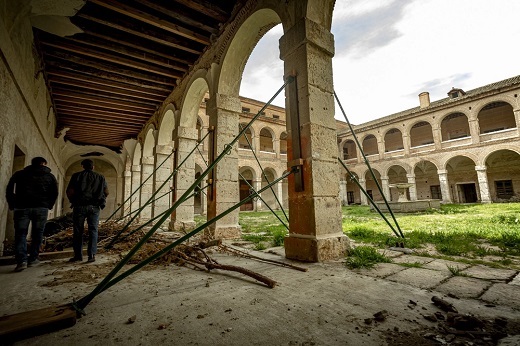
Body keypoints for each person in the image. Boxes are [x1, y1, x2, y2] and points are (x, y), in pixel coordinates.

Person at [6, 156, 58, 272]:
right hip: (41, 208)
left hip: (21, 207)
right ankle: (33, 258)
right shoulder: (49, 176)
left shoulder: (19, 174)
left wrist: (12, 203)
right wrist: (49, 205)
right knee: (37, 233)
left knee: (20, 234)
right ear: (44, 163)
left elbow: (9, 189)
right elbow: (54, 192)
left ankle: (22, 261)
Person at [66, 159, 109, 263]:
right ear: (93, 167)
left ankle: (78, 256)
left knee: (78, 231)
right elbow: (106, 192)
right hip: (94, 207)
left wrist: (74, 201)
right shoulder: (100, 177)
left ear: (82, 166)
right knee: (93, 230)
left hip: (79, 206)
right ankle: (91, 255)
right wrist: (100, 199)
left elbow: (70, 191)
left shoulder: (76, 176)